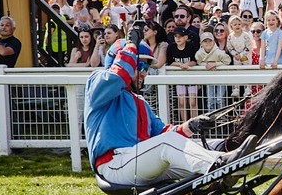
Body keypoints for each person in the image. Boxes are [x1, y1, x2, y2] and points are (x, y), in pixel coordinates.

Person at [85, 37, 255, 186]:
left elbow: (162, 133)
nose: (144, 73)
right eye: (140, 65)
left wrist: (191, 126)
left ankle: (259, 163)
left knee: (213, 145)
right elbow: (117, 76)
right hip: (113, 165)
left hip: (140, 163)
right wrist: (131, 44)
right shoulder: (98, 82)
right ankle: (222, 167)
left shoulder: (139, 101)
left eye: (147, 67)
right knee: (168, 144)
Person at [167, 26, 200, 123]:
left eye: (180, 36)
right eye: (176, 36)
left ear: (186, 37)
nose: (178, 38)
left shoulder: (191, 46)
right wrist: (179, 64)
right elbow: (170, 62)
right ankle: (185, 124)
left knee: (193, 101)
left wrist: (188, 64)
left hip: (191, 77)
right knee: (181, 102)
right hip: (179, 78)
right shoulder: (171, 47)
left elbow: (195, 61)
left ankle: (194, 124)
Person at [195, 31, 231, 111]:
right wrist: (206, 65)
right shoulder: (199, 54)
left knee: (220, 98)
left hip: (221, 78)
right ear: (201, 43)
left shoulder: (219, 52)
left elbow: (228, 61)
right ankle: (211, 116)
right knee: (210, 99)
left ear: (214, 42)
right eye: (205, 41)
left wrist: (215, 64)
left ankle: (222, 116)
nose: (208, 43)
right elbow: (198, 62)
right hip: (209, 79)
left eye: (210, 41)